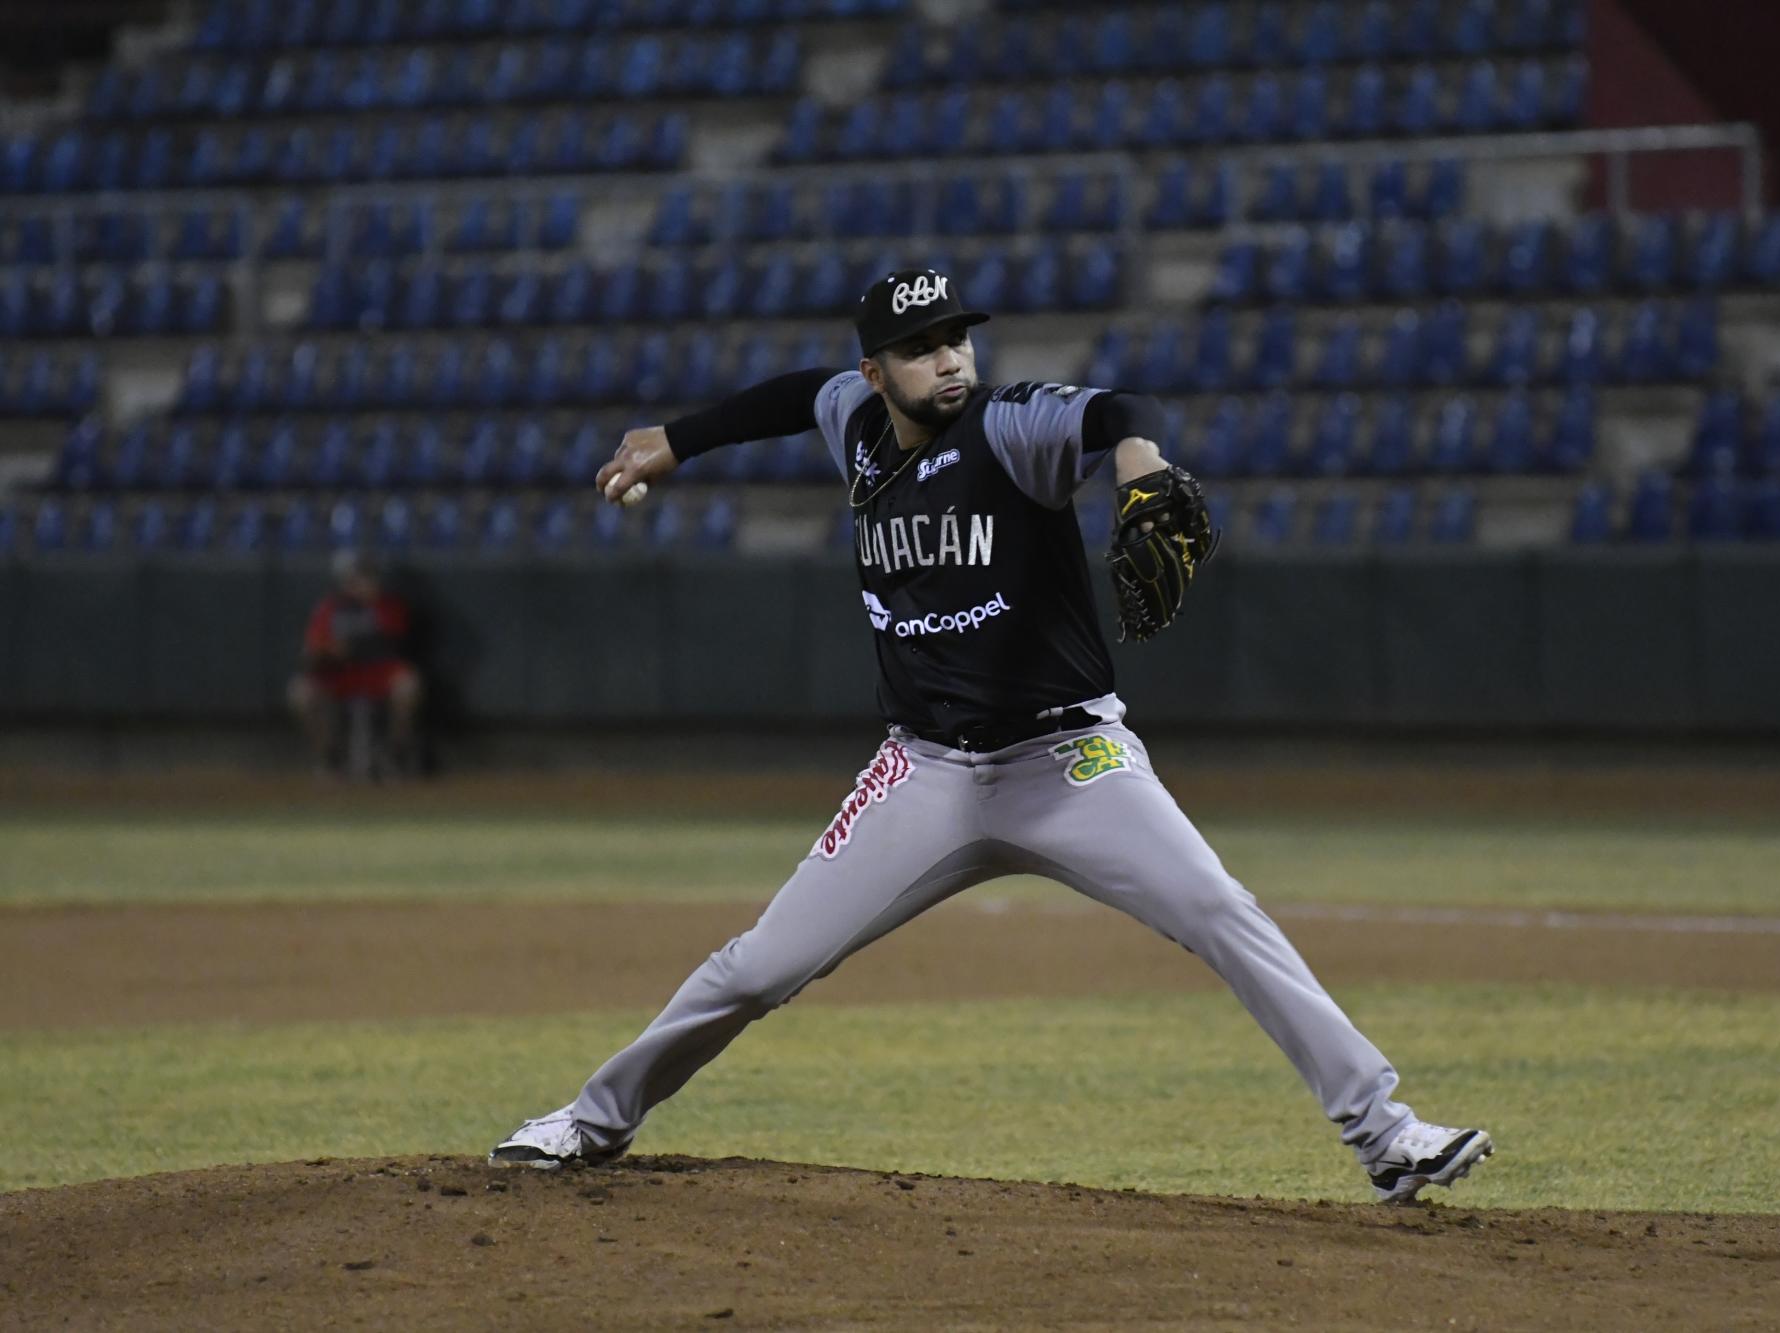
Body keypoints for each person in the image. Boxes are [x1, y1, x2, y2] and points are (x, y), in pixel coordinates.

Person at [490, 269, 1492, 1204]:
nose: (950, 361)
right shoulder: (857, 423)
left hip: (1069, 763)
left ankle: (1386, 1133)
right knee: (755, 967)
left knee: (1220, 910)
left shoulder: (1011, 428)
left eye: (957, 340)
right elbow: (802, 394)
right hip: (922, 772)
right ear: (876, 372)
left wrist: (1140, 459)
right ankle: (591, 1120)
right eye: (921, 348)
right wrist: (680, 435)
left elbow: (1116, 412)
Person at [286, 548, 422, 778]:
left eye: (368, 576)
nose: (366, 582)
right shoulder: (329, 608)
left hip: (379, 673)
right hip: (340, 675)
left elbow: (391, 642)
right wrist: (323, 654)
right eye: (359, 577)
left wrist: (349, 647)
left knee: (408, 685)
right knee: (300, 692)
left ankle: (395, 755)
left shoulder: (388, 605)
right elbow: (313, 651)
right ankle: (329, 758)